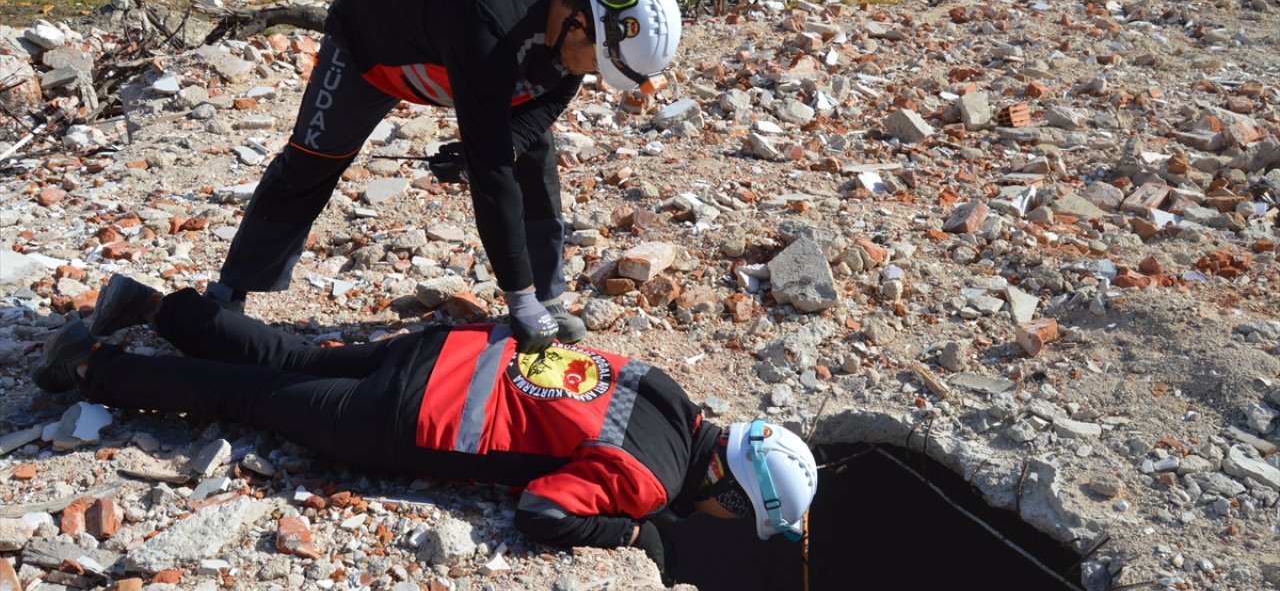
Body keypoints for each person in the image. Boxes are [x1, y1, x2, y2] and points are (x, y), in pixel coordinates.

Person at [30, 275, 818, 582]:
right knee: (252, 398)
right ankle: (94, 364)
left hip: (448, 355)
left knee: (300, 359)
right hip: (415, 421)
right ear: (728, 486)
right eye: (735, 513)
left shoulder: (672, 393)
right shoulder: (645, 484)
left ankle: (154, 305)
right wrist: (634, 537)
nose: (718, 519)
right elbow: (545, 512)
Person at [206, 0, 685, 355]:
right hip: (371, 41)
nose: (592, 75)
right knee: (313, 161)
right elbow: (491, 170)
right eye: (596, 62)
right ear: (578, 23)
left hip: (458, 41)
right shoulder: (488, 21)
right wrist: (516, 304)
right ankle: (228, 294)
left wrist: (508, 140)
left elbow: (554, 93)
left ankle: (548, 295)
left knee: (532, 155)